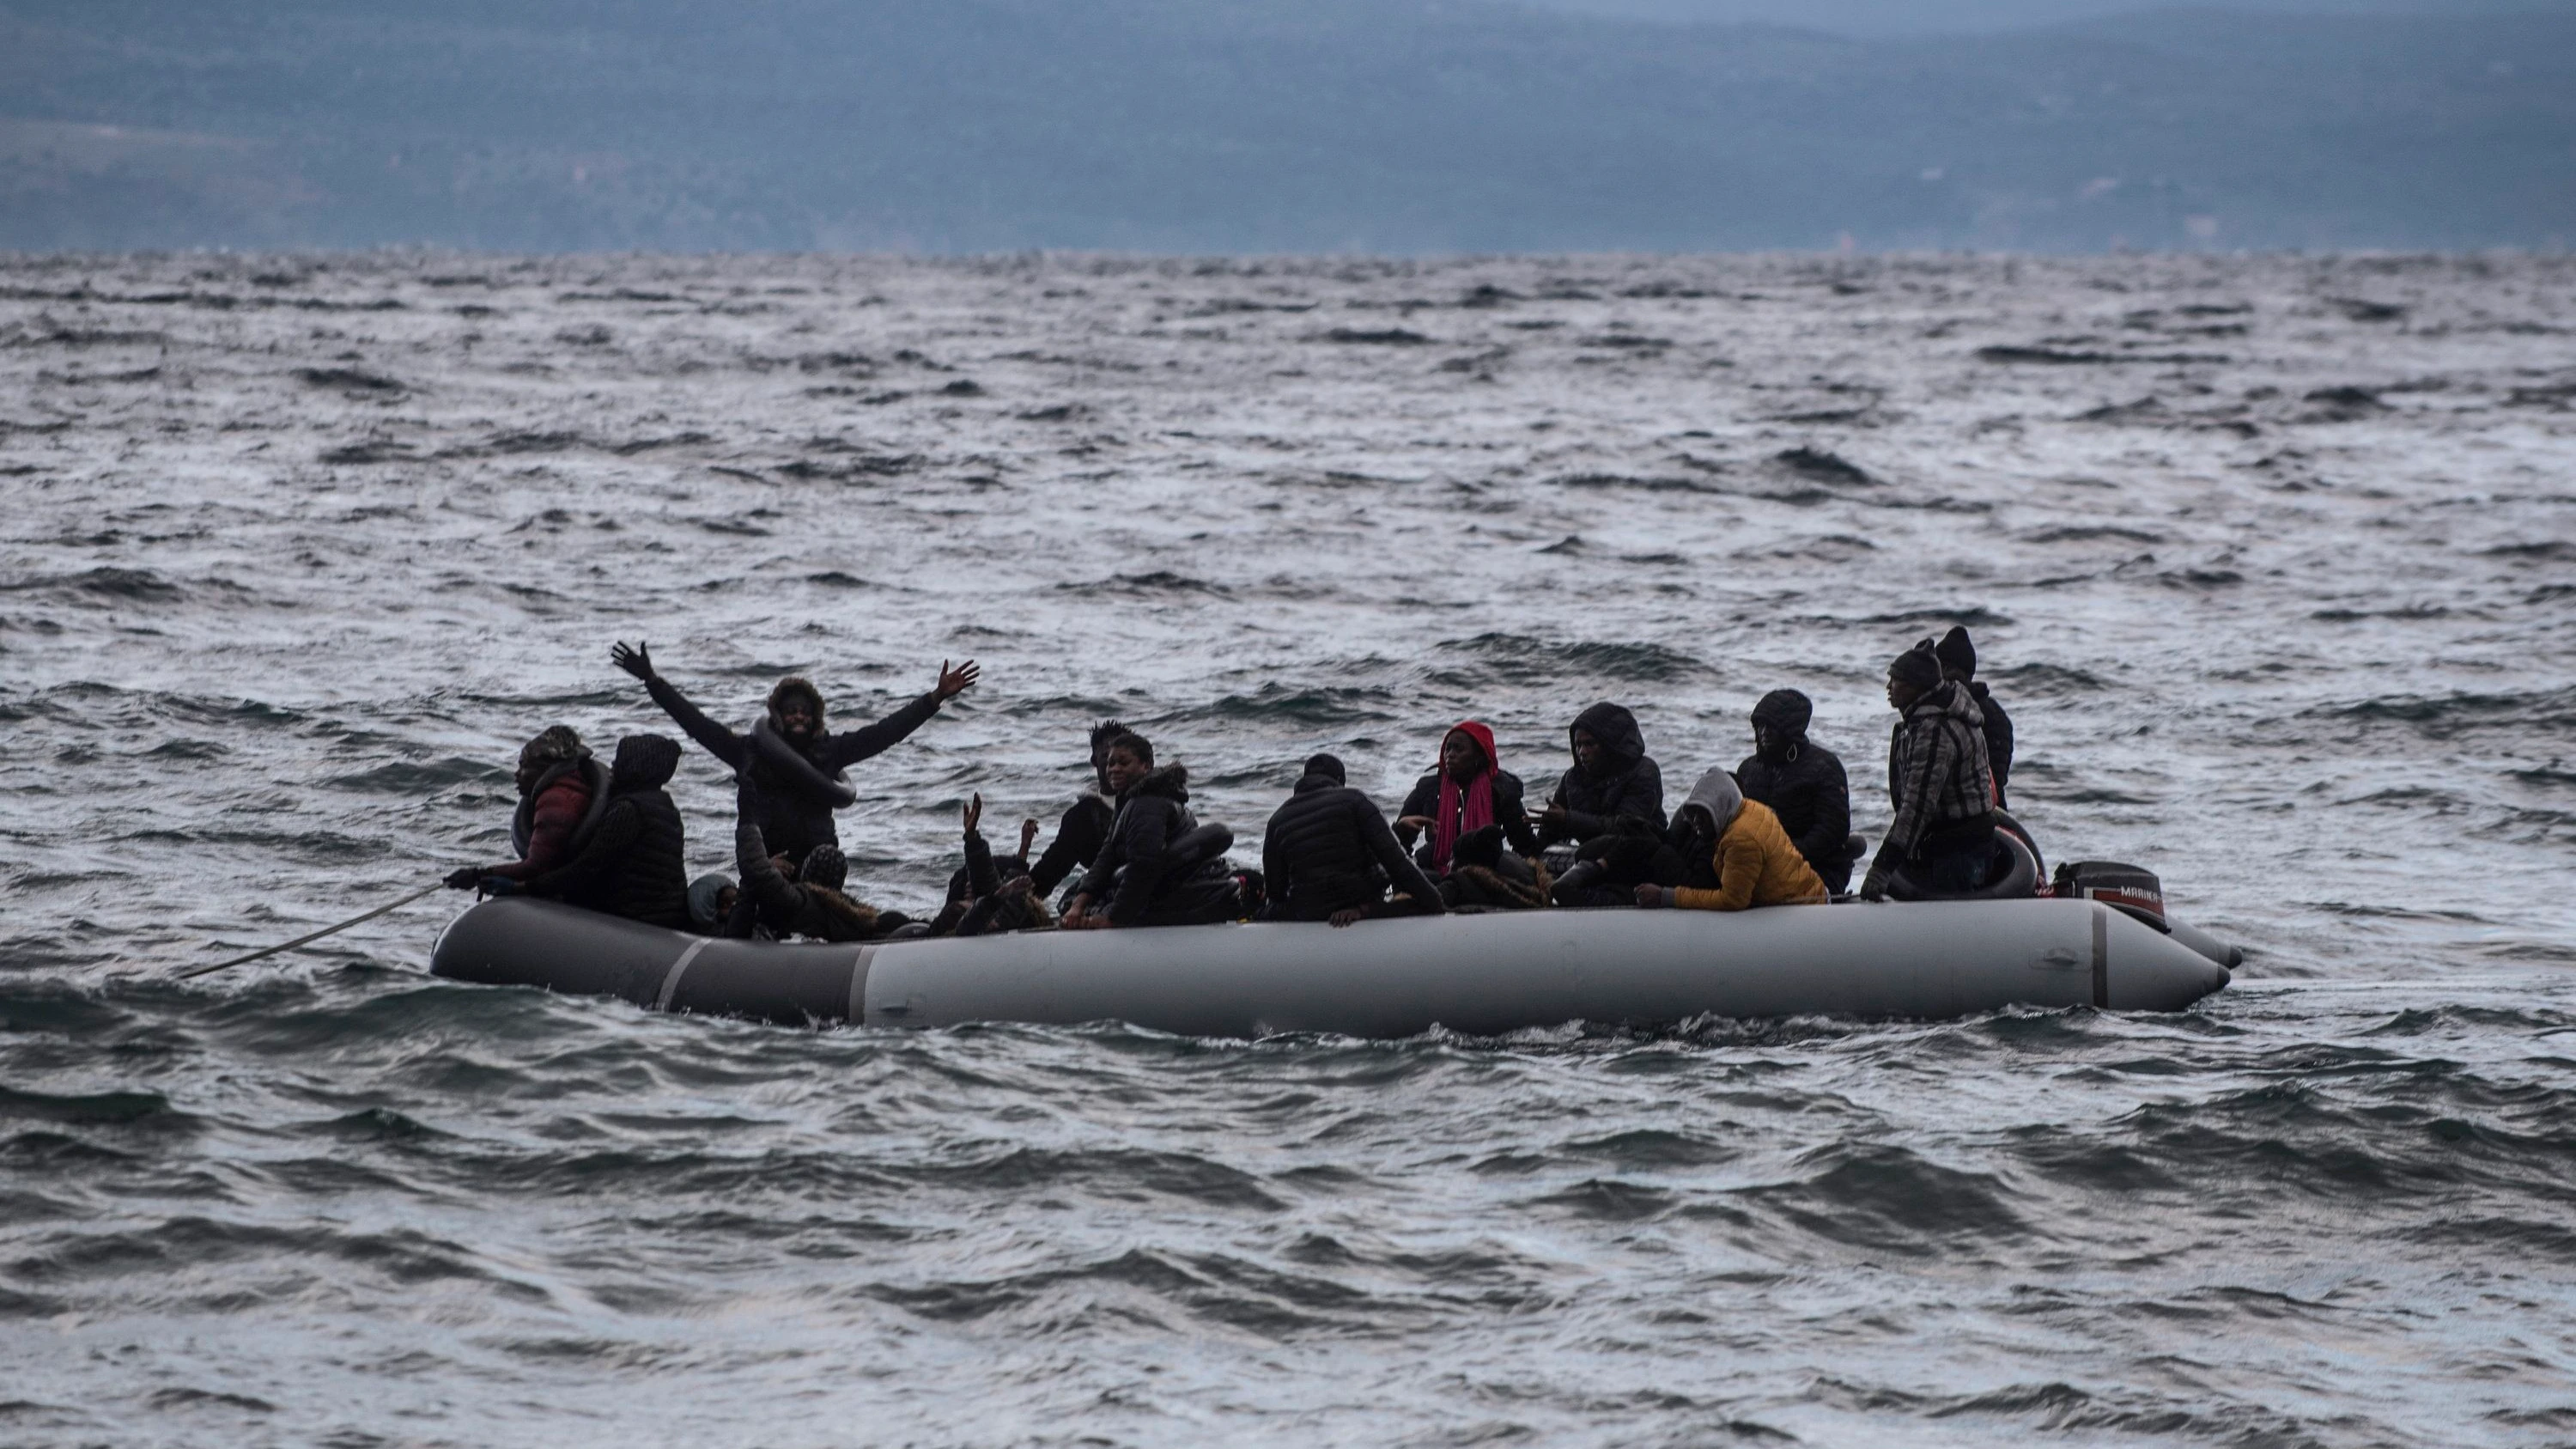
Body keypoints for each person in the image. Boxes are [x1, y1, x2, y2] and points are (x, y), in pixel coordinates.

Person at [610, 641, 978, 866]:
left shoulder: (832, 752)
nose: (798, 715)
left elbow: (885, 733)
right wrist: (652, 681)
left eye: (805, 710)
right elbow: (695, 723)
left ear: (814, 716)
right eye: (791, 710)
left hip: (818, 858)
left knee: (829, 868)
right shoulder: (748, 752)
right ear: (778, 717)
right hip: (766, 862)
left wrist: (935, 699)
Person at [501, 734, 691, 928]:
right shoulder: (666, 806)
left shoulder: (629, 810)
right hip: (669, 912)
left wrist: (523, 887)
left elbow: (586, 867)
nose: (613, 765)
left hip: (639, 915)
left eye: (620, 760)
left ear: (634, 767)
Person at [1860, 639, 2000, 902]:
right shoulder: (1926, 719)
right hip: (1950, 845)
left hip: (1958, 853)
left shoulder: (1934, 729)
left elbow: (1917, 805)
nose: (1888, 687)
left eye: (1896, 680)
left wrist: (1881, 868)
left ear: (1916, 686)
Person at [1063, 734, 1243, 929]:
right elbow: (1108, 854)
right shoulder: (1128, 800)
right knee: (1072, 896)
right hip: (1159, 889)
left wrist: (1112, 918)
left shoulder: (1147, 804)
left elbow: (1144, 866)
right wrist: (1078, 904)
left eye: (1123, 763)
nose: (1114, 769)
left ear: (1146, 766)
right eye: (1110, 763)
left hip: (1179, 894)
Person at [1261, 753, 1449, 926]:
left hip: (1309, 911)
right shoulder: (1355, 800)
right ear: (1340, 780)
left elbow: (1275, 890)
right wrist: (1436, 904)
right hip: (1359, 902)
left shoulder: (1277, 820)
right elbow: (1397, 863)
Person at [444, 725, 610, 894]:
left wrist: (477, 875)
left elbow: (537, 867)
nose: (517, 774)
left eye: (524, 767)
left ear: (545, 769)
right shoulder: (570, 788)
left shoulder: (556, 799)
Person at [1634, 768, 1827, 911]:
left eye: (1704, 815)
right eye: (1692, 815)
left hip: (1800, 907)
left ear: (1720, 808)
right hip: (1810, 892)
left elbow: (1733, 900)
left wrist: (1665, 896)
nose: (1696, 823)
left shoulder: (1740, 839)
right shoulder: (1751, 807)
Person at [1735, 689, 1857, 894]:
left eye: (1772, 727)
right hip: (1759, 866)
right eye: (1760, 726)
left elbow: (1832, 831)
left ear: (1790, 730)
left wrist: (1785, 855)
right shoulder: (1748, 769)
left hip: (1818, 868)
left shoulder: (1825, 767)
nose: (1764, 732)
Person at [1396, 721, 1541, 878]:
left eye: (1459, 749)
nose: (1450, 754)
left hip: (1484, 866)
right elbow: (1395, 844)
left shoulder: (1501, 789)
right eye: (1448, 748)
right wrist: (1403, 829)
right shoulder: (1429, 787)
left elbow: (1523, 843)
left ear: (1479, 756)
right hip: (1434, 865)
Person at [1026, 721, 1133, 905]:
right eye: (1107, 757)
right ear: (1094, 760)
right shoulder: (1083, 817)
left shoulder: (1154, 798)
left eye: (1122, 759)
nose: (1114, 766)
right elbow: (1053, 867)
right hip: (1114, 894)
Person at [732, 819, 884, 942]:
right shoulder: (855, 919)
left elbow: (758, 877)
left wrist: (757, 877)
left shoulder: (795, 904)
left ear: (806, 870)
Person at [922, 794, 1054, 937]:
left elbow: (996, 891)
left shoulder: (993, 917)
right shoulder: (984, 904)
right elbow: (994, 881)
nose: (968, 886)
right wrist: (972, 836)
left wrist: (972, 838)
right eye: (968, 883)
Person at [1536, 703, 1666, 848]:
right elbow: (1547, 836)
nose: (1582, 752)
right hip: (1590, 852)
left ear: (1609, 744)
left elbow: (1627, 827)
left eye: (1589, 744)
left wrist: (1568, 820)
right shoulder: (1573, 778)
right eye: (1578, 745)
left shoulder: (1644, 771)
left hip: (1641, 853)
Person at [1936, 625, 2014, 808]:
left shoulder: (1967, 712)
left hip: (1979, 809)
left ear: (1946, 668)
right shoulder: (1993, 711)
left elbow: (1990, 778)